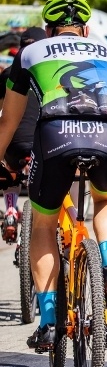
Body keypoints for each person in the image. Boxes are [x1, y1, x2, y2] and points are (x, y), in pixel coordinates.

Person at [0, 0, 107, 349]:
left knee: (45, 222)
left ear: (49, 30)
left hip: (57, 134)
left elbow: (9, 121)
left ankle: (49, 320)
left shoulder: (30, 53)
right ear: (85, 29)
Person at [0, 27, 46, 243]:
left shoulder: (9, 74)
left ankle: (10, 210)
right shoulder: (51, 71)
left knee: (11, 170)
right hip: (46, 141)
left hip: (16, 143)